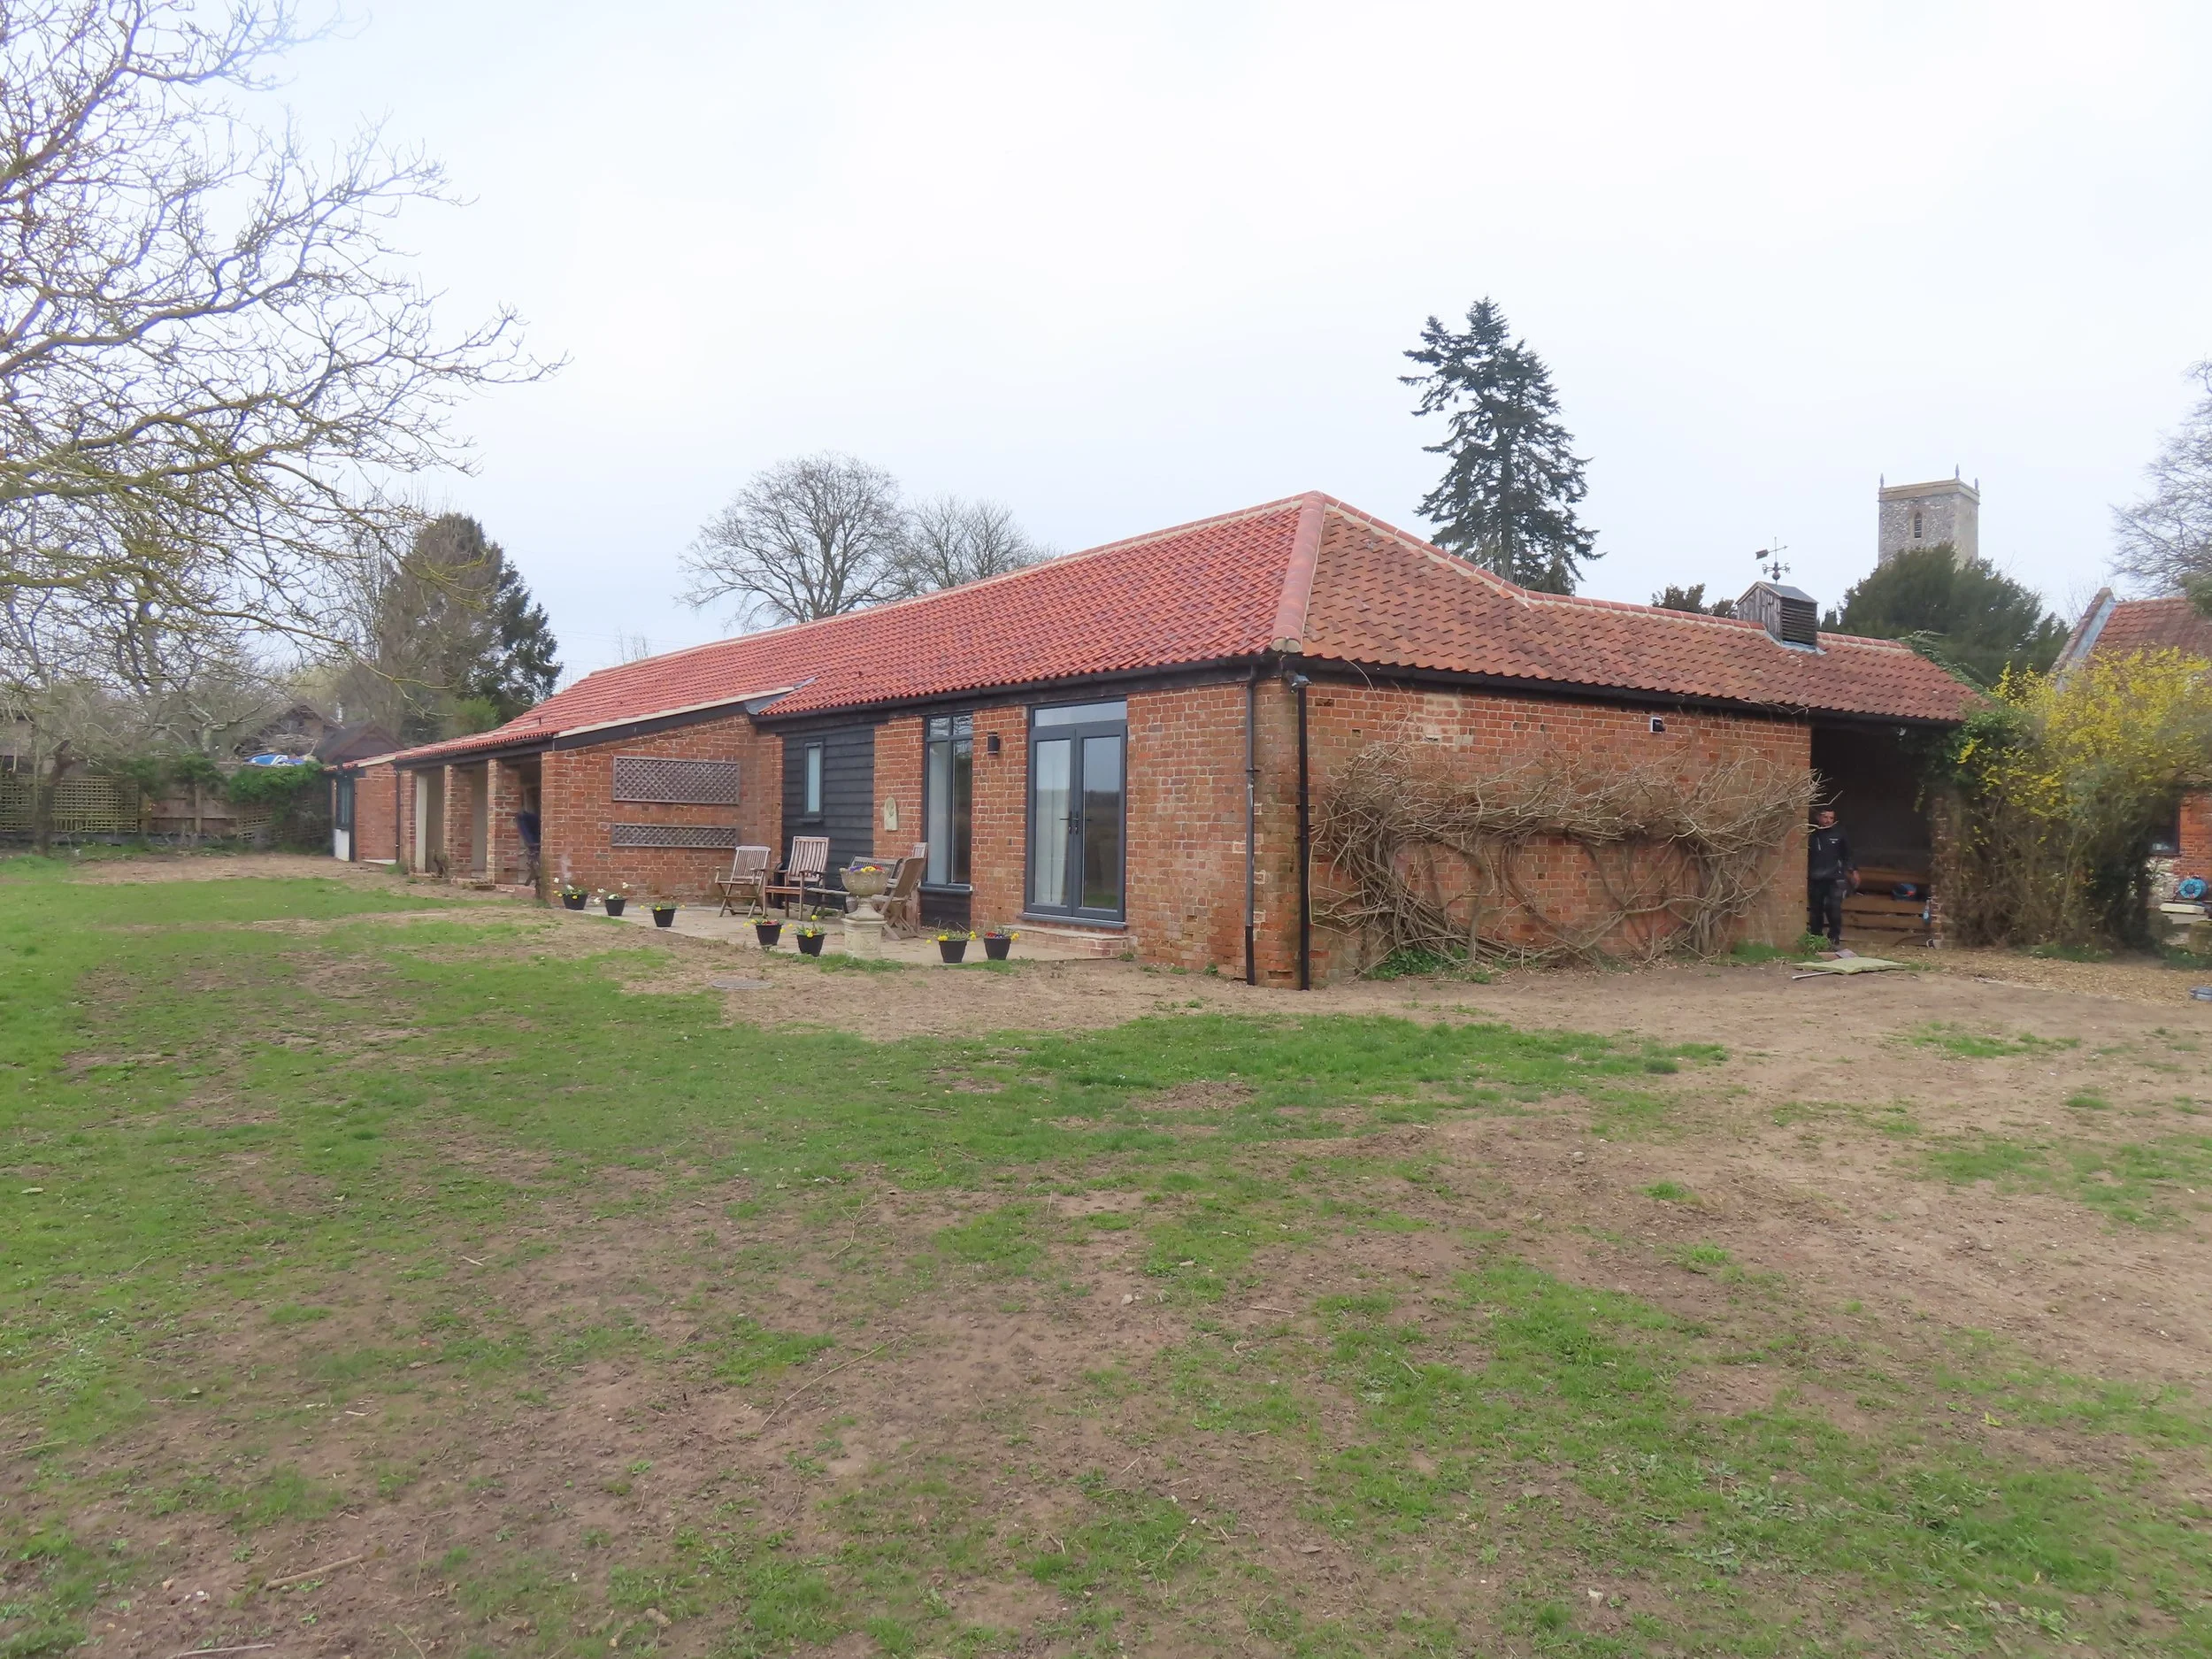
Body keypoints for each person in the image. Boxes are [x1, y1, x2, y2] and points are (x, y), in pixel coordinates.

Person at [1806, 805, 1856, 949]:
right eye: (1825, 817)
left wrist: (1852, 870)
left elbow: (1848, 855)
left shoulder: (1839, 834)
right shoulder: (1811, 834)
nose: (1828, 821)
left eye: (1831, 818)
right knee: (1816, 910)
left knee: (1834, 908)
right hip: (1815, 878)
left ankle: (1834, 937)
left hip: (1834, 878)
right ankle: (1816, 938)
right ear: (1818, 818)